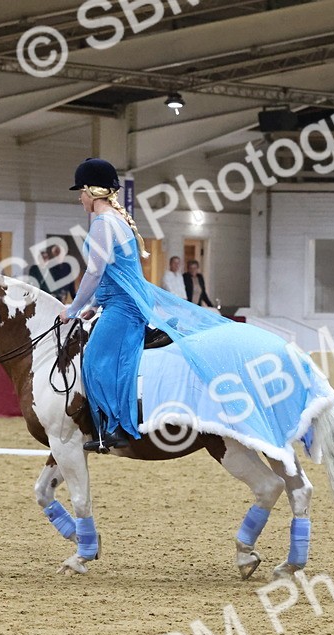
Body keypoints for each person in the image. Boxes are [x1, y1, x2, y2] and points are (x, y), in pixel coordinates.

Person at [57, 157, 227, 454]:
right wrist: (93, 304)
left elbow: (94, 273)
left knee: (95, 360)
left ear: (92, 191)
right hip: (121, 302)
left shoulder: (103, 224)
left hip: (123, 306)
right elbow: (115, 273)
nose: (79, 198)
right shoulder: (116, 220)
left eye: (81, 192)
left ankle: (115, 428)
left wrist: (71, 309)